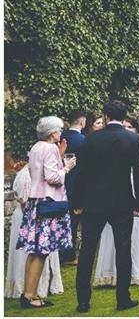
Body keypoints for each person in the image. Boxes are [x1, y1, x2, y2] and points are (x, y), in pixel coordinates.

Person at [73, 100, 139, 313]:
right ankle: (123, 298)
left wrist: (77, 201)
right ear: (124, 117)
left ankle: (83, 301)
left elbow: (81, 172)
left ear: (105, 116)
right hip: (121, 201)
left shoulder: (91, 139)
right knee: (123, 248)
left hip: (93, 202)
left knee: (87, 249)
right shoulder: (132, 139)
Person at [16, 116, 76, 309]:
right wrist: (66, 167)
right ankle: (31, 295)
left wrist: (60, 156)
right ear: (52, 133)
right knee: (41, 252)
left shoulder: (36, 147)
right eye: (59, 129)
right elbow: (52, 178)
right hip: (47, 202)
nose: (61, 132)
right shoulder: (49, 148)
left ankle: (27, 293)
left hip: (36, 202)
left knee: (34, 251)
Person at [92, 115, 139, 287]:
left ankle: (133, 272)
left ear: (136, 129)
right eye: (124, 126)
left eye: (130, 127)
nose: (126, 129)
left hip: (134, 188)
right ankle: (109, 272)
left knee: (131, 235)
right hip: (116, 190)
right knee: (111, 235)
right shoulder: (114, 142)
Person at [6, 164, 64, 300]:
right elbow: (24, 203)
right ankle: (28, 291)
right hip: (30, 219)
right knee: (32, 254)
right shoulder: (25, 175)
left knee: (39, 254)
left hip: (42, 216)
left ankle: (36, 289)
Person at [60, 110, 86, 265]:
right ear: (82, 122)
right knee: (73, 221)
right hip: (75, 184)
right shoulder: (82, 140)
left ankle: (61, 252)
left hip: (59, 182)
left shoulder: (61, 137)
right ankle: (69, 255)